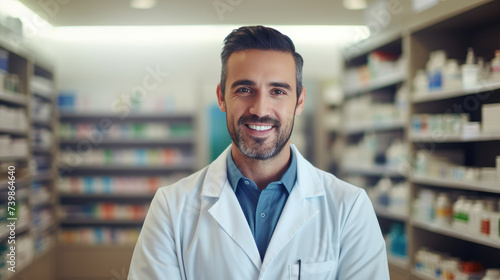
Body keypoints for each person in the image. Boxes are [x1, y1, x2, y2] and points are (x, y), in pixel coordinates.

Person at [128, 25, 389, 280]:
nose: (260, 108)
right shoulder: (171, 208)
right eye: (244, 90)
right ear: (221, 97)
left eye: (277, 91)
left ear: (299, 101)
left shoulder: (349, 208)